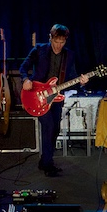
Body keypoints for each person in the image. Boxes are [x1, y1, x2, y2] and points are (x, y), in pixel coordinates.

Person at [19, 24, 89, 177]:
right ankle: (48, 164)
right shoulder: (39, 49)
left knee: (55, 128)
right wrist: (25, 79)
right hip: (37, 95)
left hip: (56, 97)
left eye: (62, 42)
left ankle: (44, 160)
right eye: (56, 41)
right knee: (49, 126)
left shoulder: (69, 55)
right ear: (50, 38)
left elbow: (72, 77)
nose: (58, 45)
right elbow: (23, 67)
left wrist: (81, 81)